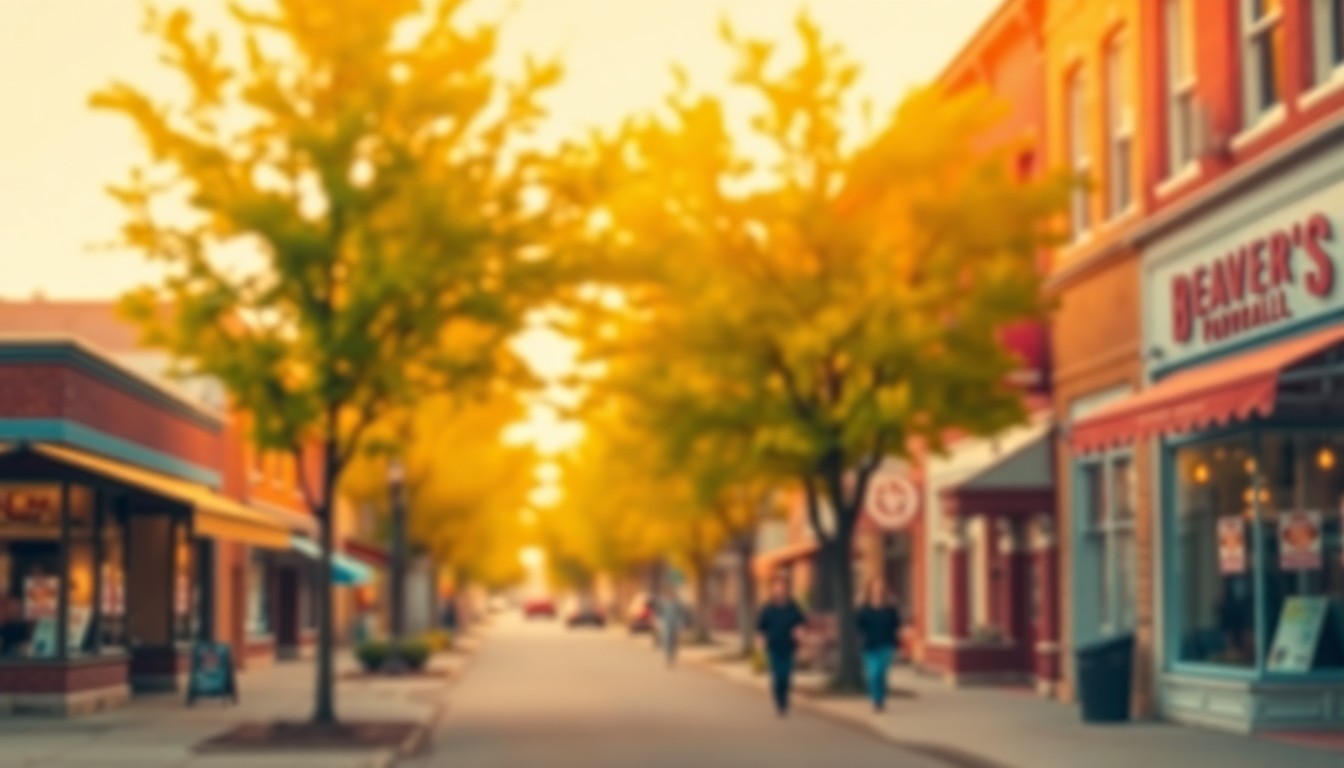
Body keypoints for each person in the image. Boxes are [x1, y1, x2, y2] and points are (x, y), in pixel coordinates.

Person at [756, 573, 807, 717]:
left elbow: (801, 622)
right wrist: (761, 640)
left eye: (782, 587)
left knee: (786, 675)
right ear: (773, 590)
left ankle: (784, 701)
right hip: (773, 646)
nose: (780, 590)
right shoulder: (768, 608)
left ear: (786, 589)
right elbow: (761, 627)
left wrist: (799, 631)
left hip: (789, 646)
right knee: (777, 676)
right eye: (777, 587)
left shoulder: (793, 607)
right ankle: (779, 703)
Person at [855, 580, 903, 712]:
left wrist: (898, 645)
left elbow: (896, 625)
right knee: (873, 674)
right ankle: (876, 700)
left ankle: (880, 700)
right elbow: (858, 625)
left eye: (880, 587)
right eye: (875, 587)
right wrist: (857, 608)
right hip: (870, 646)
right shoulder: (865, 608)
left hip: (886, 645)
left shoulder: (890, 608)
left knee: (881, 674)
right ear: (870, 590)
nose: (878, 590)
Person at [656, 586, 685, 667]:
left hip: (675, 625)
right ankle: (667, 659)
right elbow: (660, 614)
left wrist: (680, 624)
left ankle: (673, 658)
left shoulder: (677, 604)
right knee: (667, 641)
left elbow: (681, 614)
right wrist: (659, 623)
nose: (670, 595)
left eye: (672, 594)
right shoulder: (664, 603)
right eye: (669, 594)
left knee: (674, 643)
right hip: (666, 625)